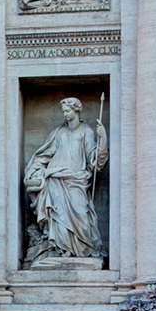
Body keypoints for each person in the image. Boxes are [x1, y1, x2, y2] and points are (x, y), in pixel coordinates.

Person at [25, 97, 109, 260]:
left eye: (67, 110)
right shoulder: (58, 132)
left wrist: (103, 138)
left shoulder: (86, 131)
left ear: (76, 111)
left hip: (76, 179)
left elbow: (95, 161)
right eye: (63, 111)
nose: (65, 114)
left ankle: (81, 248)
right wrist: (34, 171)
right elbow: (44, 155)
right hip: (56, 179)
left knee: (81, 213)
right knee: (58, 215)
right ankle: (61, 249)